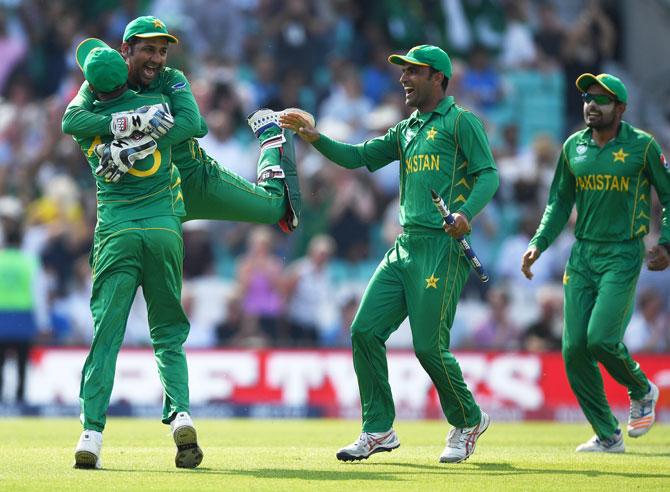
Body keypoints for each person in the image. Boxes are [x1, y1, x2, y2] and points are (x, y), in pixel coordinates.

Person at [281, 44, 499, 464]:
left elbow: (488, 174)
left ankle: (469, 419)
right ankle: (378, 429)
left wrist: (466, 212)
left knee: (429, 347)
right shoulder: (407, 129)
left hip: (442, 246)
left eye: (413, 72)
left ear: (438, 77)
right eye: (402, 72)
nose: (403, 79)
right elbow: (358, 157)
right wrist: (314, 137)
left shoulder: (461, 122)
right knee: (364, 331)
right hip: (405, 245)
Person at [67, 38, 202, 470]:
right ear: (124, 67)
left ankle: (91, 435)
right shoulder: (159, 101)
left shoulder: (89, 120)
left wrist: (118, 129)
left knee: (106, 336)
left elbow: (71, 118)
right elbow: (191, 124)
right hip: (163, 228)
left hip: (117, 232)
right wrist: (139, 127)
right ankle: (180, 412)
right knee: (167, 333)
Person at [521, 73, 670, 453]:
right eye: (588, 97)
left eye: (602, 100)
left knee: (601, 339)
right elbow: (558, 201)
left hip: (622, 252)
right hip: (582, 254)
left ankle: (641, 388)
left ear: (620, 108)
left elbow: (668, 197)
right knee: (573, 352)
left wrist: (666, 243)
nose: (591, 104)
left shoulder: (643, 146)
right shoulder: (573, 147)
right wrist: (539, 242)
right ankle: (607, 435)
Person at [62, 16, 301, 234]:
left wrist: (138, 145)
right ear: (125, 49)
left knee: (273, 210)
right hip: (151, 199)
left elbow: (191, 124)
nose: (156, 59)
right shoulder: (104, 77)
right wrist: (127, 122)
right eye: (148, 50)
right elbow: (71, 120)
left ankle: (271, 136)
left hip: (195, 179)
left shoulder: (171, 77)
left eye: (162, 51)